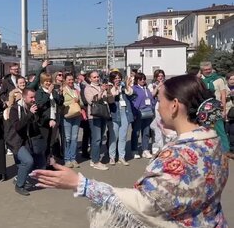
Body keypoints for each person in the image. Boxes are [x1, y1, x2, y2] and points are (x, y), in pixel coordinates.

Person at [31, 74, 229, 227]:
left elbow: (145, 204)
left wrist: (80, 184)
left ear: (175, 106)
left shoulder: (178, 155)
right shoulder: (214, 141)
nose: (158, 107)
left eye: (160, 101)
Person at [7, 88, 45, 196]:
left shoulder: (31, 107)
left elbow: (37, 124)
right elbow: (18, 127)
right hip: (15, 140)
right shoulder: (15, 109)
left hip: (27, 140)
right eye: (31, 97)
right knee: (28, 161)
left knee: (36, 162)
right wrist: (29, 114)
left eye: (34, 97)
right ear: (24, 98)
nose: (34, 99)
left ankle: (20, 179)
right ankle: (19, 186)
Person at [84, 71, 114, 170]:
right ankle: (96, 161)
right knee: (96, 139)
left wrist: (108, 91)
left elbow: (110, 101)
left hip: (104, 114)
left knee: (99, 138)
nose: (97, 78)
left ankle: (94, 159)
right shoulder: (88, 88)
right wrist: (101, 91)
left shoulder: (102, 86)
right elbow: (92, 101)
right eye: (94, 77)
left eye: (98, 77)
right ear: (90, 78)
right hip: (94, 116)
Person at [201, 61, 230, 151]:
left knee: (220, 130)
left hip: (216, 108)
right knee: (205, 131)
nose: (208, 71)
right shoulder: (199, 80)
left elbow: (223, 96)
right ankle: (209, 150)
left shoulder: (219, 79)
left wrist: (224, 110)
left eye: (209, 69)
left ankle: (225, 151)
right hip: (203, 109)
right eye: (205, 70)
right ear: (202, 70)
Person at [108, 71, 134, 166]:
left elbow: (130, 93)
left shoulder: (123, 87)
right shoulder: (109, 87)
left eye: (119, 78)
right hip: (115, 113)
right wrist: (115, 87)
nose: (118, 80)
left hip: (125, 113)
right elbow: (112, 96)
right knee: (114, 137)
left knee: (123, 136)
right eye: (115, 78)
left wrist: (127, 84)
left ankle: (121, 157)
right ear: (112, 79)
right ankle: (112, 156)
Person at [131, 72, 155, 159]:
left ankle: (145, 149)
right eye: (141, 79)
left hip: (148, 112)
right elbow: (132, 101)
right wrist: (134, 112)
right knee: (136, 132)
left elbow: (151, 99)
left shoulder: (146, 89)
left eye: (144, 79)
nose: (143, 80)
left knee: (146, 132)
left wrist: (151, 107)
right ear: (137, 80)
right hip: (138, 112)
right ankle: (134, 150)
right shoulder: (134, 88)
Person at [61, 73, 83, 168]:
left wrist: (78, 99)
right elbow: (61, 103)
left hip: (76, 115)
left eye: (72, 79)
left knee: (74, 138)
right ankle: (67, 159)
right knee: (67, 138)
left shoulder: (76, 90)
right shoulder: (63, 90)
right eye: (69, 79)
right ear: (65, 80)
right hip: (67, 115)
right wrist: (72, 101)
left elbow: (81, 103)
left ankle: (73, 158)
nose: (71, 81)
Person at [148, 69, 166, 154]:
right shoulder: (153, 85)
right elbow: (152, 95)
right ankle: (158, 146)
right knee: (158, 125)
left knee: (166, 125)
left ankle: (165, 145)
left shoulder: (166, 84)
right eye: (159, 76)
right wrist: (159, 86)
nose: (161, 77)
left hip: (166, 105)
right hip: (157, 105)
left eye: (162, 76)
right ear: (156, 77)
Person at [226, 71, 234, 159]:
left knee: (232, 132)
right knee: (226, 131)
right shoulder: (224, 89)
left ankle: (232, 149)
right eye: (231, 79)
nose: (233, 81)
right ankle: (227, 149)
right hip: (226, 113)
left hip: (232, 115)